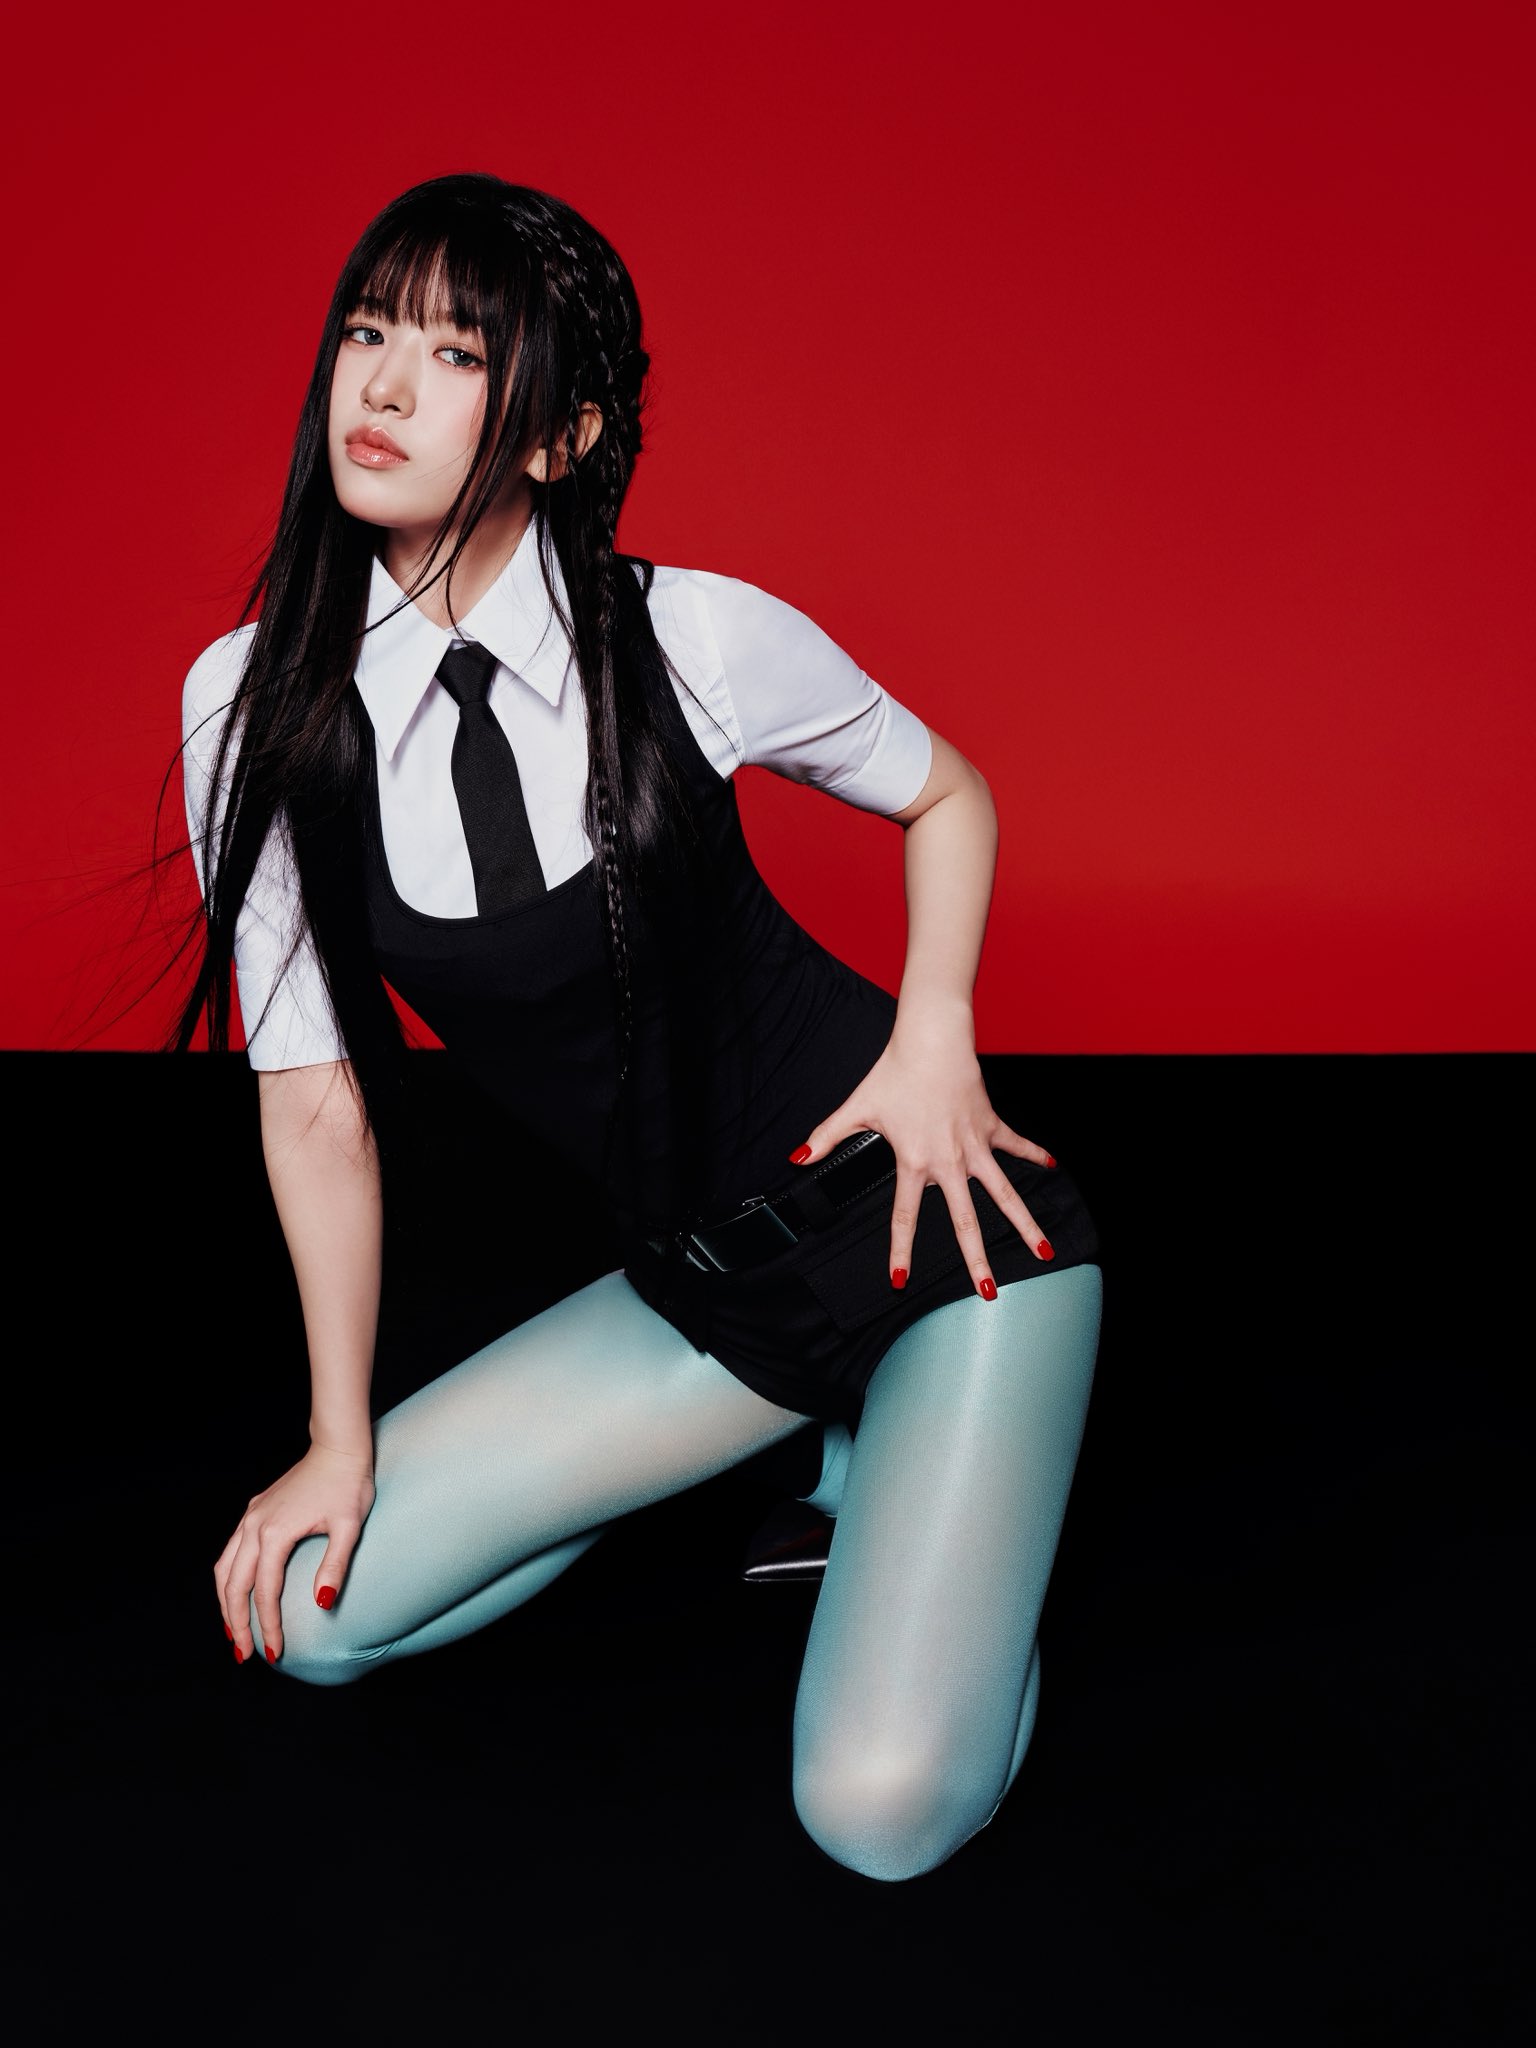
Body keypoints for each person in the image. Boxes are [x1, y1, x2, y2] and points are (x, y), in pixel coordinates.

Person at [173, 172, 1105, 1884]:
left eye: (459, 354)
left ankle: (947, 1528)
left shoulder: (692, 637)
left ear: (559, 436)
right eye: (368, 332)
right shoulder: (250, 705)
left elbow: (950, 793)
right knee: (306, 1616)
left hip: (941, 1243)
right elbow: (313, 1100)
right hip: (701, 1296)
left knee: (877, 1814)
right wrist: (337, 1438)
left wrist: (936, 1041)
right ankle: (837, 1452)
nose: (385, 385)